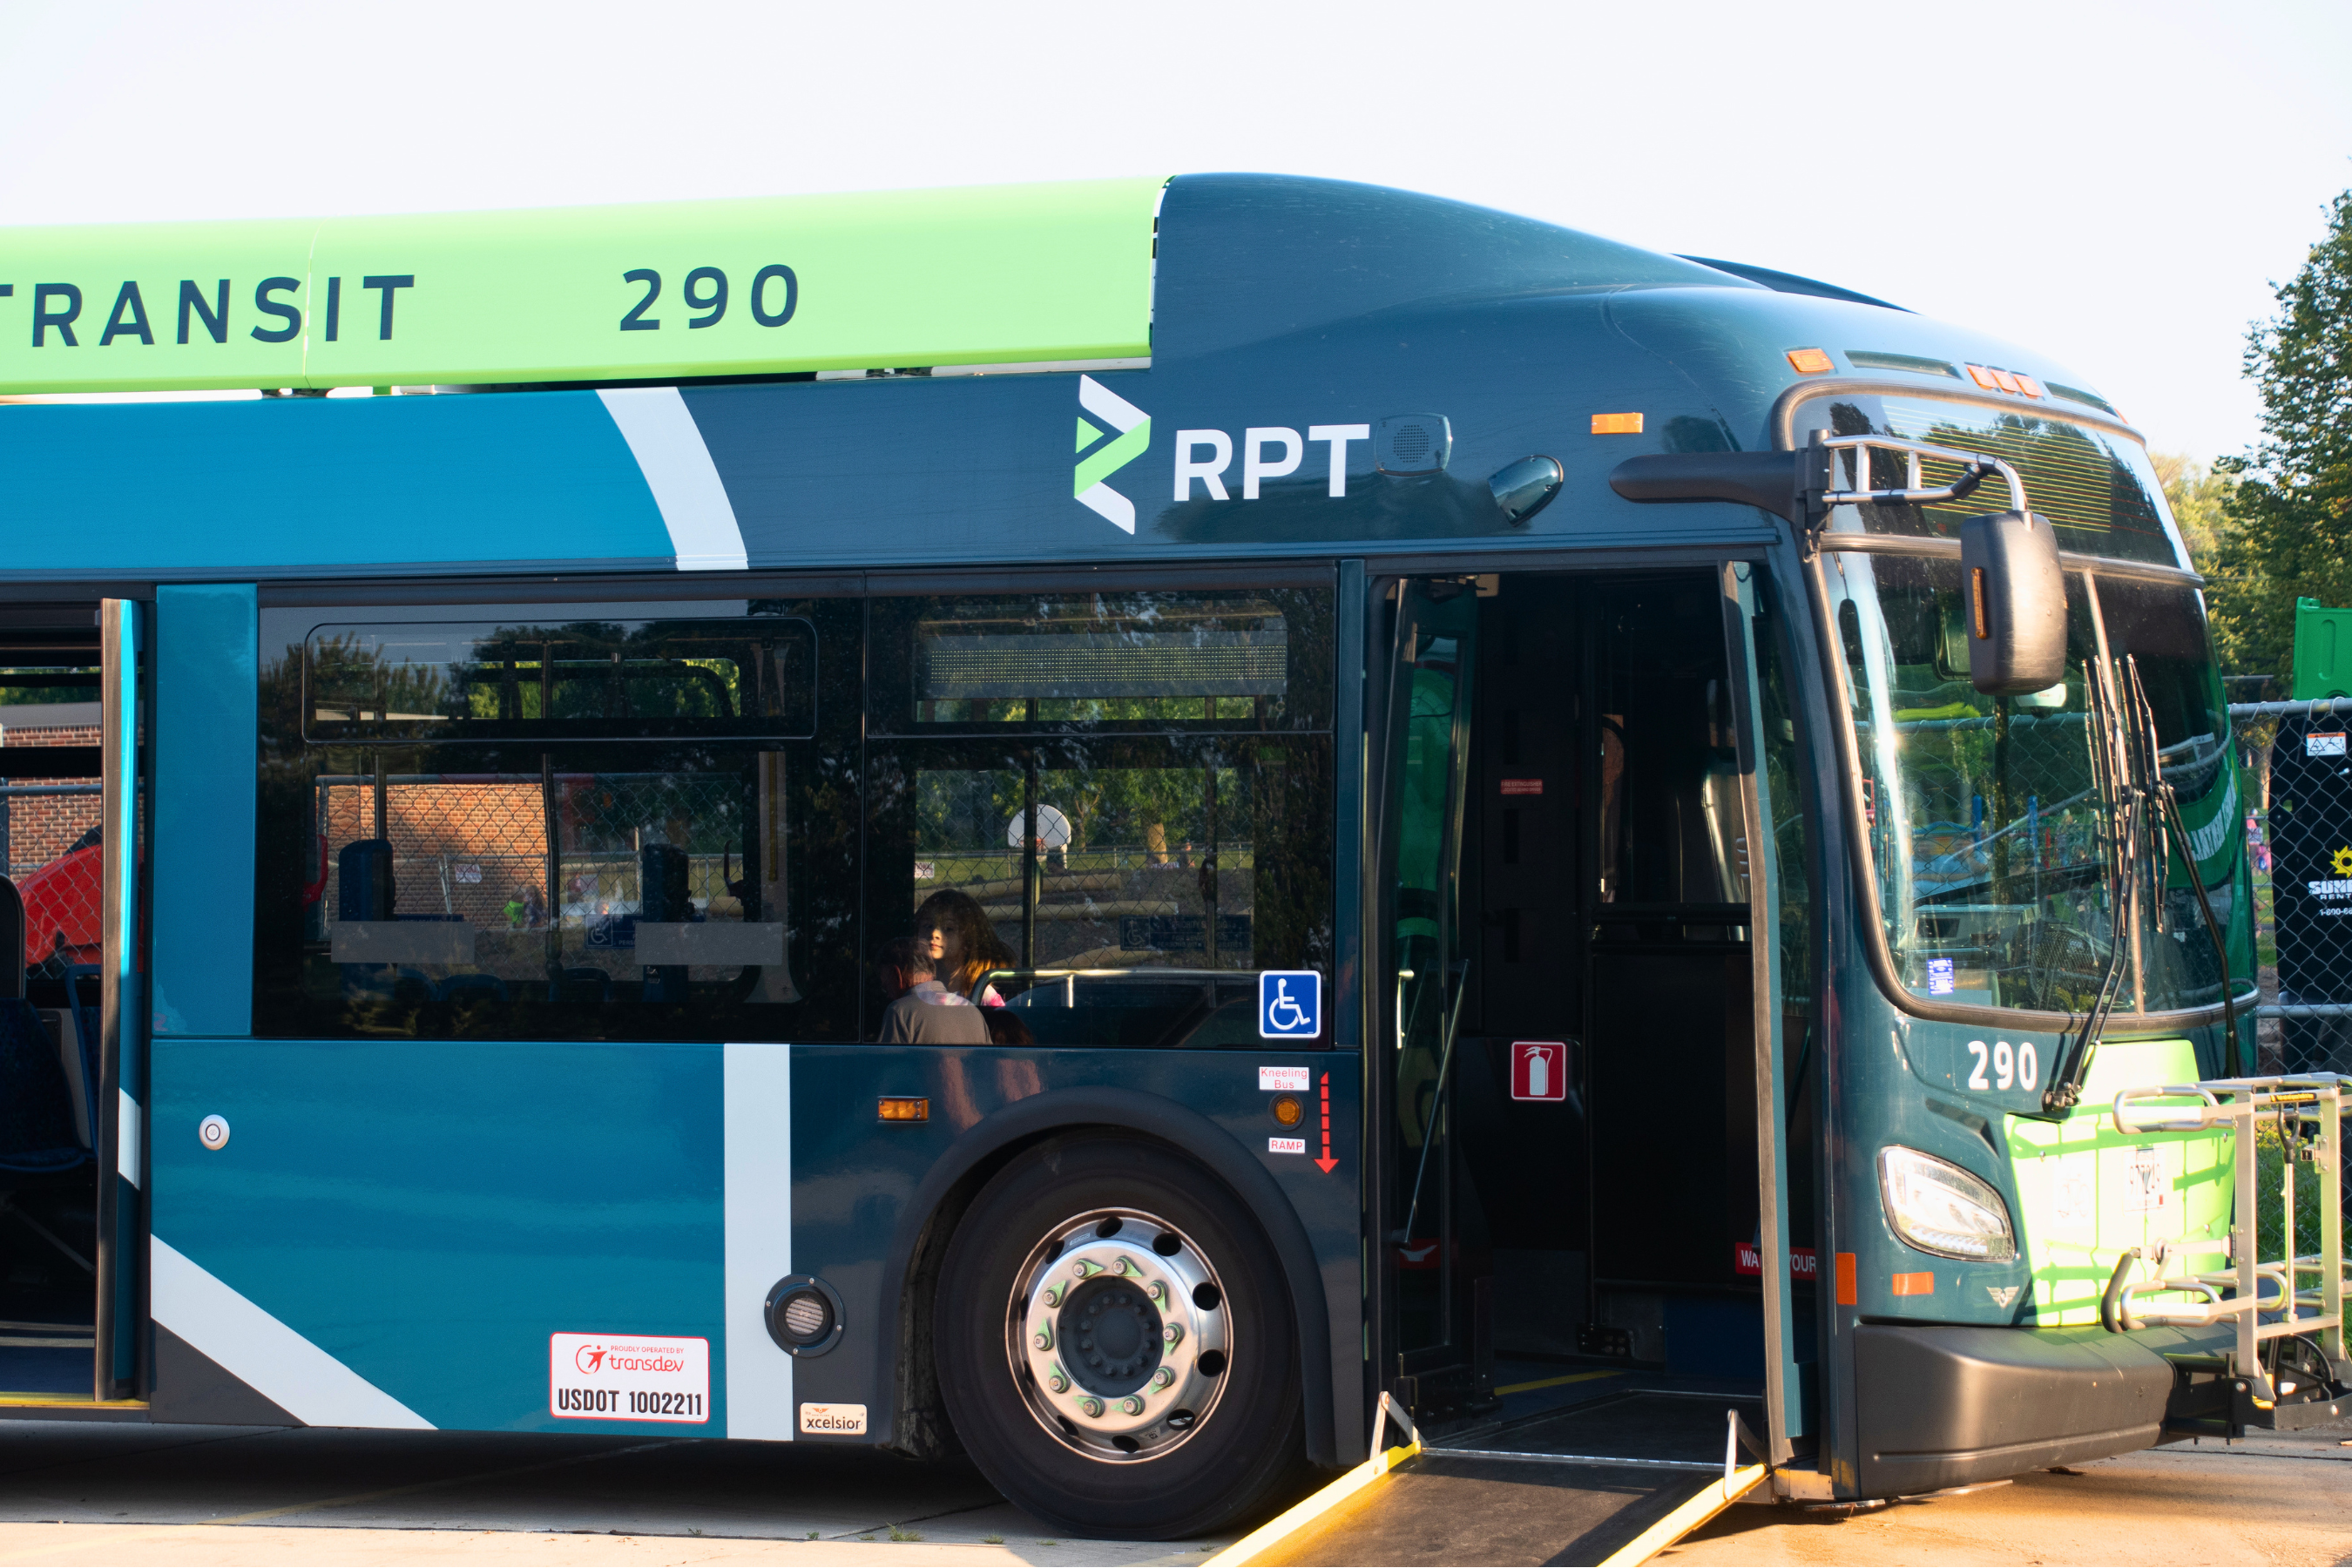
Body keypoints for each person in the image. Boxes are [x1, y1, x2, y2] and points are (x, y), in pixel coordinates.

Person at [875, 936, 990, 1044]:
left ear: (896, 975)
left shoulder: (899, 1011)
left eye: (886, 987)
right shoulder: (972, 1010)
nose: (888, 995)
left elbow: (887, 1064)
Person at [913, 889, 1017, 1005]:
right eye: (928, 926)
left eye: (948, 928)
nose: (934, 933)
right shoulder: (916, 989)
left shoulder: (983, 996)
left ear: (968, 938)